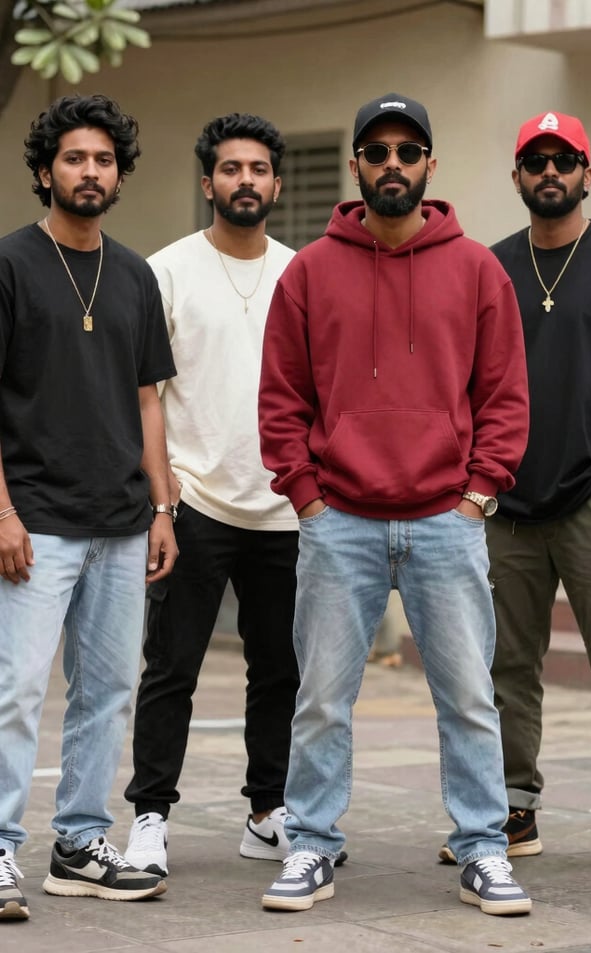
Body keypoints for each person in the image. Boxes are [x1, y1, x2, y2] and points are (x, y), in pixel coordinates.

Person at [258, 93, 532, 917]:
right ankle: (311, 842)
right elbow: (281, 398)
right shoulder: (309, 270)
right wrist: (305, 495)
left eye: (406, 151)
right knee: (321, 697)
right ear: (356, 167)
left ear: (428, 167)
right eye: (376, 151)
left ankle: (484, 848)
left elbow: (505, 394)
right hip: (338, 518)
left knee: (470, 697)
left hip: (446, 518)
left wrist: (480, 492)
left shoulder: (477, 268)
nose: (391, 164)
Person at [438, 111, 591, 868]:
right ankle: (511, 809)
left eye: (565, 160)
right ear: (518, 178)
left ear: (587, 173)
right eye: (537, 161)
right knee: (503, 667)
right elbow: (463, 378)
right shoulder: (489, 266)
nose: (551, 172)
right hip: (505, 498)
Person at [0, 94, 177, 921]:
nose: (90, 171)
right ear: (46, 171)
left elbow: (148, 401)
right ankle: (0, 847)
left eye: (103, 159)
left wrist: (163, 507)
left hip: (120, 521)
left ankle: (77, 843)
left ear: (118, 174)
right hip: (33, 518)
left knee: (106, 691)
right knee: (16, 691)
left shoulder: (136, 274)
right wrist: (1, 513)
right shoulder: (9, 266)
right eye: (75, 158)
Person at [122, 113, 307, 878]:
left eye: (258, 169)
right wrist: (162, 504)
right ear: (208, 183)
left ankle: (268, 811)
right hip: (195, 504)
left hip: (286, 507)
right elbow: (146, 397)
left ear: (276, 183)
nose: (245, 181)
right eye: (231, 169)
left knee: (281, 671)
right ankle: (150, 817)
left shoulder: (302, 272)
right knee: (171, 669)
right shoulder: (165, 271)